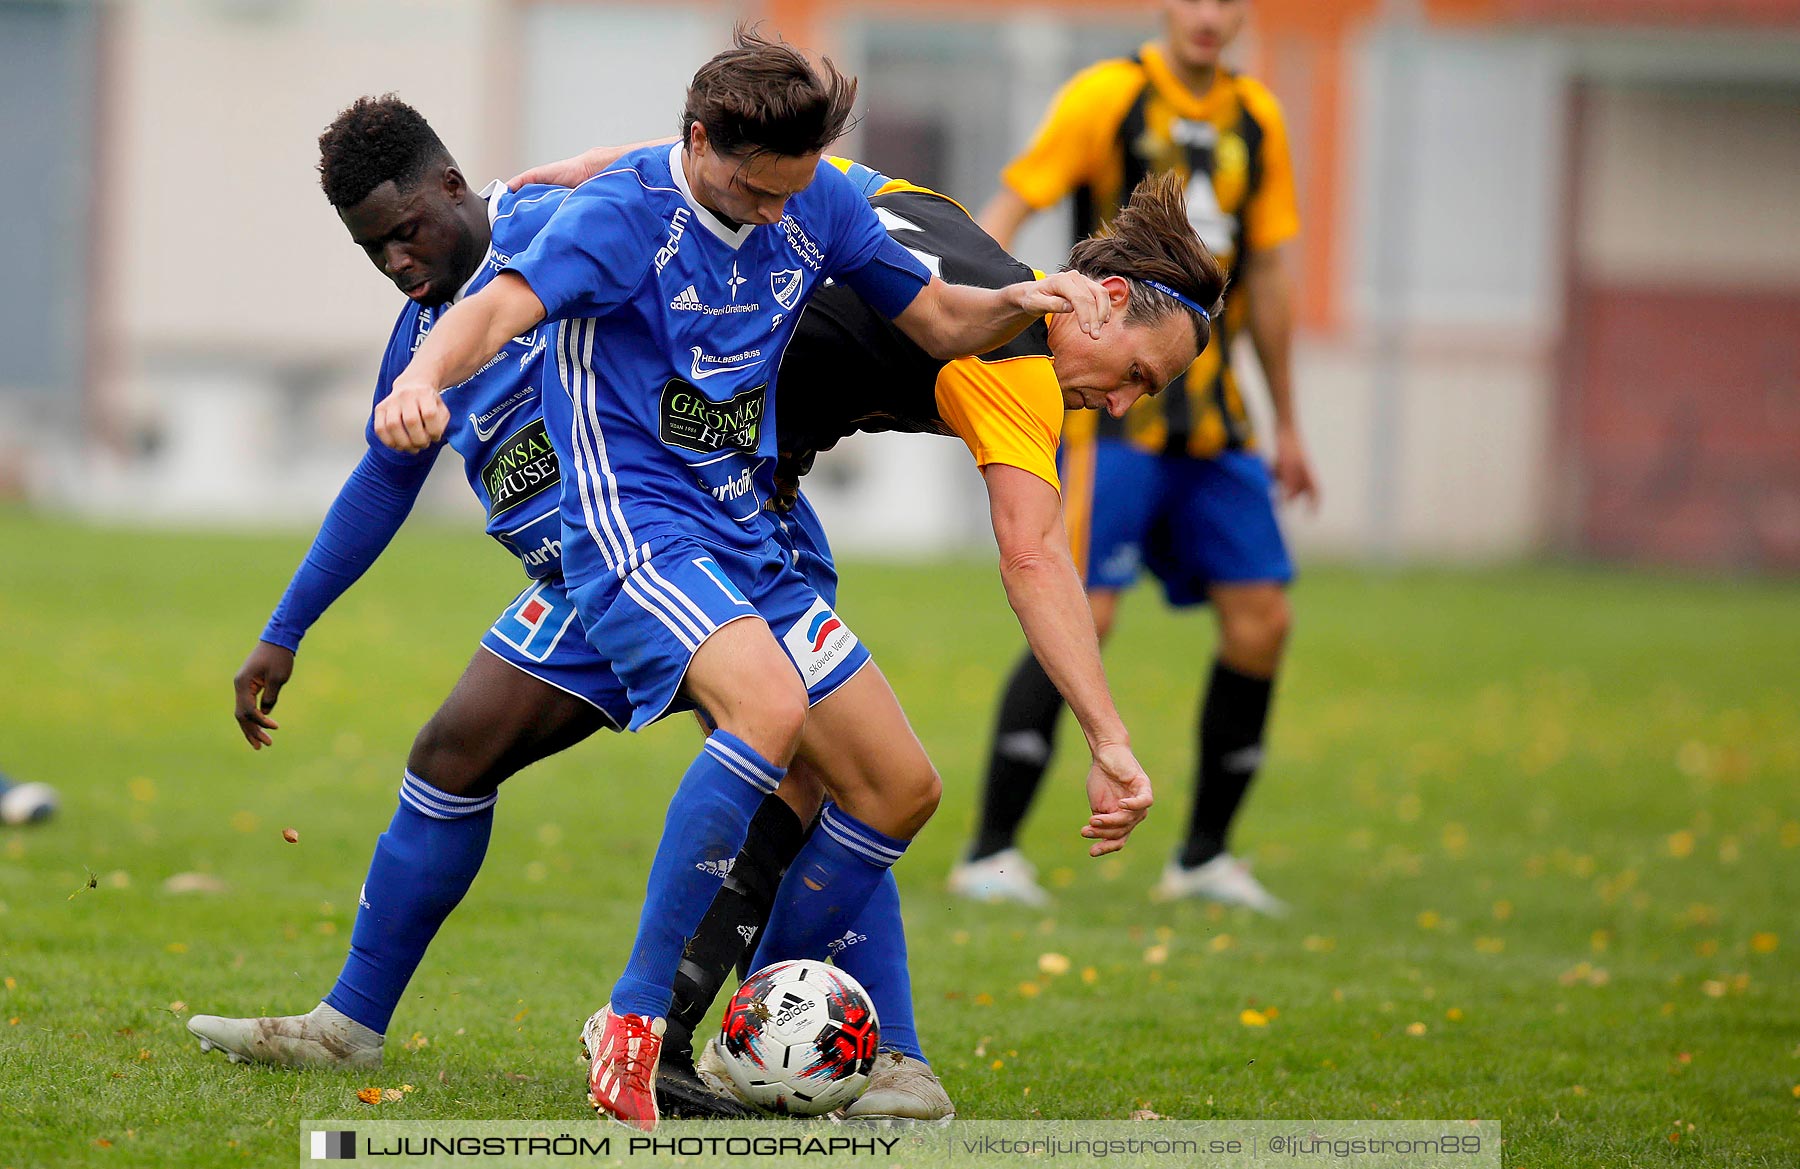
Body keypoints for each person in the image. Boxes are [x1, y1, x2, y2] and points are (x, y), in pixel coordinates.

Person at [371, 27, 1128, 1131]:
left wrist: (1031, 297)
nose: (777, 215)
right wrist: (424, 380)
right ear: (699, 143)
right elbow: (492, 309)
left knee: (897, 783)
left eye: (791, 193)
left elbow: (936, 319)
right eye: (757, 192)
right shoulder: (625, 214)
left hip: (746, 528)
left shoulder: (815, 197)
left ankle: (769, 1028)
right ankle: (633, 1023)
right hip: (638, 523)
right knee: (766, 709)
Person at [955, 0, 1318, 914]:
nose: (1210, 15)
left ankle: (1204, 856)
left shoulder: (1258, 119)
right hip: (1113, 409)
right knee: (1089, 610)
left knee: (1263, 619)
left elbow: (1268, 275)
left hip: (1217, 418)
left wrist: (1290, 421)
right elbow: (1014, 200)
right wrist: (984, 306)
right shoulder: (1108, 96)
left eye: (1229, 2)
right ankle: (990, 850)